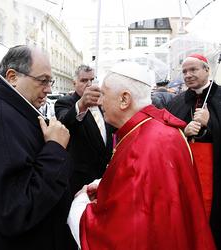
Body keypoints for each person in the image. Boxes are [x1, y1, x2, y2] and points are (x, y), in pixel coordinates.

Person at [67, 61, 215, 250]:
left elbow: (121, 233)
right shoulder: (150, 130)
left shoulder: (147, 144)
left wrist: (80, 204)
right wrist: (101, 186)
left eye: (104, 94)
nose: (99, 101)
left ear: (124, 99)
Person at [0, 45, 73, 250]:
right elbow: (15, 210)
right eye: (42, 80)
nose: (49, 89)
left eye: (50, 81)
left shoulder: (12, 111)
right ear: (12, 77)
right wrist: (55, 148)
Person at [167, 53, 221, 249]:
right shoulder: (176, 102)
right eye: (184, 71)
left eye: (193, 69)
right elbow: (165, 136)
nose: (188, 75)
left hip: (214, 170)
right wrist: (183, 132)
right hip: (187, 167)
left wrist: (211, 123)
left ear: (207, 70)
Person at [55, 64, 113, 197]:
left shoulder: (101, 103)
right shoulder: (65, 102)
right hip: (79, 180)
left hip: (103, 177)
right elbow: (65, 122)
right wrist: (81, 104)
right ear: (74, 83)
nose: (89, 84)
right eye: (84, 80)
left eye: (92, 80)